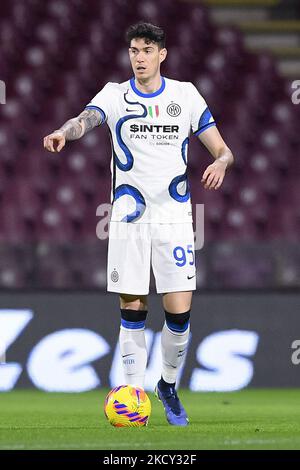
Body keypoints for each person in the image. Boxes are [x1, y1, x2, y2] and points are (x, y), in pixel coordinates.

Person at [44, 22, 234, 426]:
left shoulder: (185, 95)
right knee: (132, 305)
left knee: (178, 310)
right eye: (134, 50)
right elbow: (86, 118)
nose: (140, 57)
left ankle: (167, 384)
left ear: (162, 54)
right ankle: (134, 398)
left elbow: (222, 149)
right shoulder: (116, 95)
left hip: (175, 218)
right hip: (128, 219)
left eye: (147, 50)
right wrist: (65, 131)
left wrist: (220, 161)